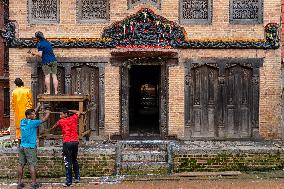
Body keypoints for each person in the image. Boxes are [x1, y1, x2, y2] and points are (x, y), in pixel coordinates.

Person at [17, 108, 50, 189]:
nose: (35, 115)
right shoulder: (33, 122)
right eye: (33, 114)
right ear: (29, 116)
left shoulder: (22, 121)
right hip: (30, 147)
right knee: (32, 165)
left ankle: (19, 183)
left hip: (22, 146)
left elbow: (31, 113)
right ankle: (33, 183)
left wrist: (37, 107)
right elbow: (44, 119)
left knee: (21, 164)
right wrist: (48, 113)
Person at [50, 108, 83, 187]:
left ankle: (69, 182)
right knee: (74, 160)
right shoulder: (74, 118)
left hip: (67, 143)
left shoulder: (61, 121)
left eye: (61, 114)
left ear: (65, 114)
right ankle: (77, 177)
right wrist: (70, 110)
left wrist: (49, 130)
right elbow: (79, 112)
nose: (60, 115)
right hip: (75, 142)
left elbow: (53, 127)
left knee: (68, 162)